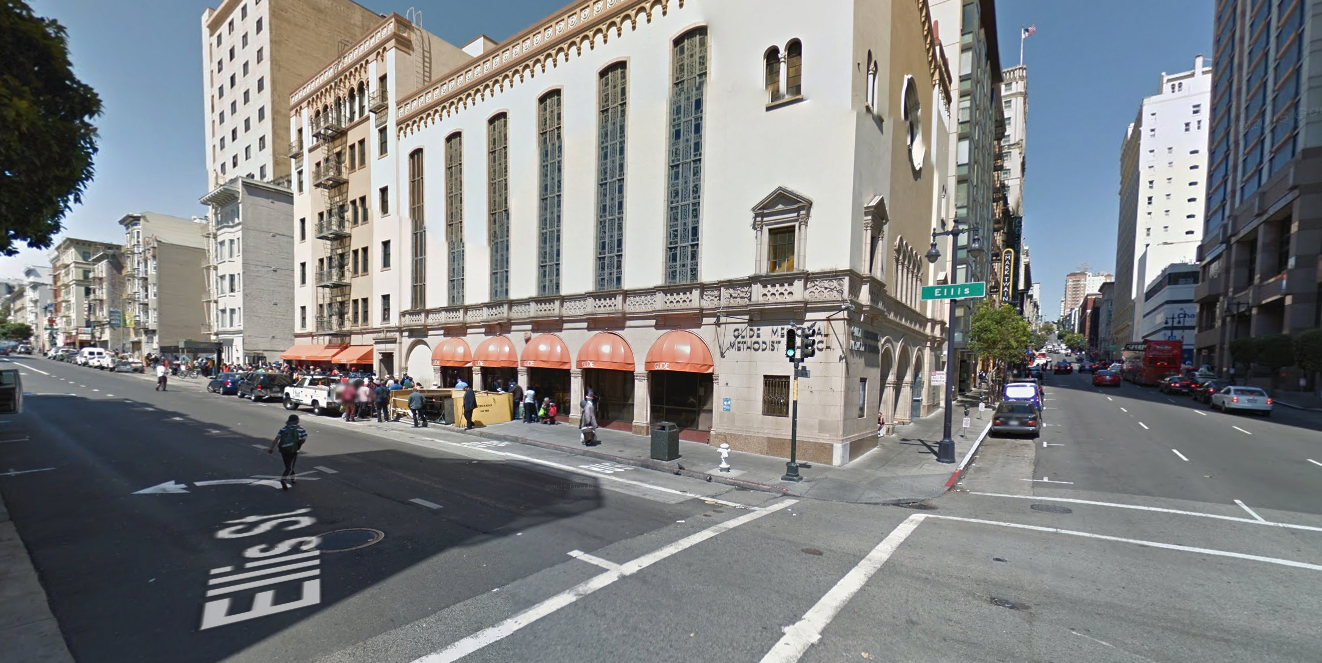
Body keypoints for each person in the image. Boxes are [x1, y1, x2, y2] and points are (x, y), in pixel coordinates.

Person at [267, 414, 308, 490]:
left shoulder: (284, 428)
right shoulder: (301, 429)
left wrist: (271, 448)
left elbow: (277, 438)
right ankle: (284, 479)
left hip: (284, 450)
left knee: (288, 465)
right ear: (297, 421)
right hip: (294, 450)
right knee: (290, 466)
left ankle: (293, 478)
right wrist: (297, 445)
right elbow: (304, 439)